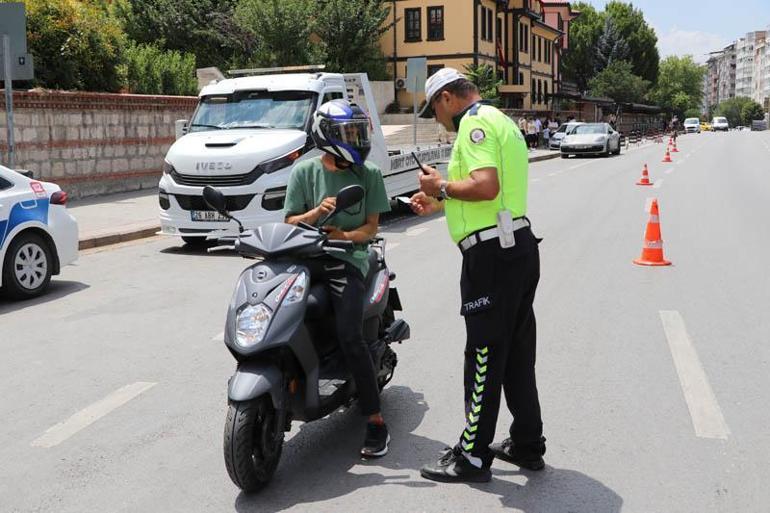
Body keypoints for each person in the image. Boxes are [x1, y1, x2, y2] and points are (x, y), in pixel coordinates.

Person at [410, 68, 546, 483]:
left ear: (449, 97)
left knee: (484, 354)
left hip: (491, 260)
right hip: (515, 247)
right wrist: (440, 203)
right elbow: (493, 199)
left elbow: (485, 186)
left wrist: (442, 187)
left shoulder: (474, 125)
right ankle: (526, 443)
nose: (437, 118)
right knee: (517, 356)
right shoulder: (500, 120)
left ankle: (471, 456)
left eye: (436, 108)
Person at [284, 99, 392, 458]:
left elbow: (371, 228)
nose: (356, 139)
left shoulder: (369, 175)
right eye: (349, 133)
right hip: (306, 259)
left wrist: (342, 236)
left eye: (359, 132)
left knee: (350, 334)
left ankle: (375, 421)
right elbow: (289, 223)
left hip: (347, 259)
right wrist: (317, 212)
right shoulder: (304, 172)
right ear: (327, 135)